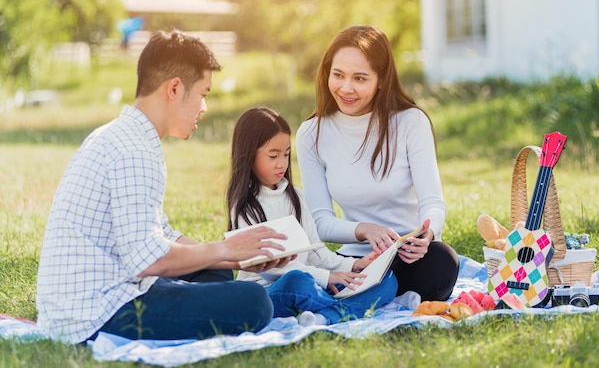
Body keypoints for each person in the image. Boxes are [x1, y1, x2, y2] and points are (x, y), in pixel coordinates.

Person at [36, 30, 294, 344]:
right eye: (203, 93)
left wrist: (236, 258)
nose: (205, 106)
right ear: (174, 88)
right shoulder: (134, 150)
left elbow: (161, 234)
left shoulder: (125, 136)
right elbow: (148, 260)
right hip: (96, 312)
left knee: (218, 272)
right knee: (254, 301)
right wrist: (225, 249)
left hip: (97, 295)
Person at [295, 25, 459, 302]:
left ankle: (375, 294)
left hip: (408, 256)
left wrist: (427, 234)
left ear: (381, 80)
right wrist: (364, 230)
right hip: (356, 260)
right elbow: (320, 222)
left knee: (442, 262)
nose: (346, 88)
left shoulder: (410, 122)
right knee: (303, 277)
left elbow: (433, 201)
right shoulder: (312, 133)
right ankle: (378, 293)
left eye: (360, 78)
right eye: (338, 75)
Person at [227, 106, 398, 326]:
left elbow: (315, 251)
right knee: (299, 282)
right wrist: (328, 278)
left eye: (287, 154)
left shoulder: (296, 197)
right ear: (249, 155)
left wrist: (352, 267)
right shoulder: (245, 207)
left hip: (315, 280)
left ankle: (324, 315)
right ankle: (342, 308)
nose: (282, 163)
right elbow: (275, 267)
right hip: (272, 291)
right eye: (273, 156)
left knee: (388, 280)